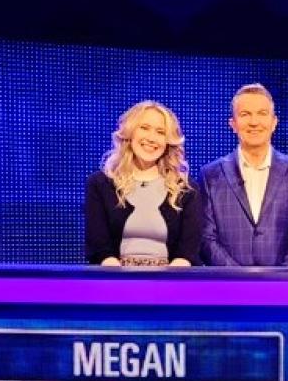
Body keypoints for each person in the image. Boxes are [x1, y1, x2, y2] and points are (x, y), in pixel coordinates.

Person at [200, 84, 288, 266]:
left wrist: (280, 279)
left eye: (262, 113)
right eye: (245, 114)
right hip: (228, 286)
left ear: (274, 122)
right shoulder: (210, 175)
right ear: (233, 124)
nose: (254, 122)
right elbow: (207, 238)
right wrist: (239, 280)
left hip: (282, 288)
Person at [84, 100, 203, 266]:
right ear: (130, 132)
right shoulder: (100, 184)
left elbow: (187, 253)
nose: (151, 138)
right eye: (144, 128)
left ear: (168, 141)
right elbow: (98, 247)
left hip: (170, 283)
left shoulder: (186, 190)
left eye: (160, 132)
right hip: (115, 280)